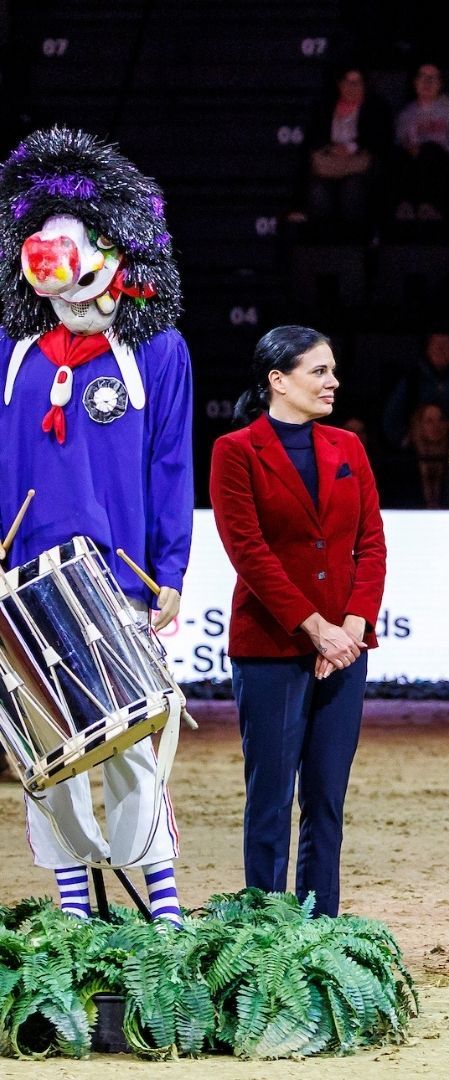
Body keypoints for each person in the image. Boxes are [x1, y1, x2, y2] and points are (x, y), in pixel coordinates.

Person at [0, 128, 195, 925]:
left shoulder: (157, 353)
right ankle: (75, 902)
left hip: (117, 583)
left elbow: (172, 466)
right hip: (22, 585)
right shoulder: (13, 354)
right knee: (44, 756)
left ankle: (165, 902)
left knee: (134, 747)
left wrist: (171, 573)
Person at [210, 326, 387, 918]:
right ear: (277, 381)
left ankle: (320, 932)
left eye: (332, 370)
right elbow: (248, 552)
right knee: (270, 800)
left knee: (326, 800)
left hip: (346, 648)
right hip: (270, 648)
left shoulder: (349, 448)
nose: (332, 381)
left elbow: (372, 543)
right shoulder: (234, 451)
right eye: (318, 371)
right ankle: (264, 937)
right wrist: (316, 628)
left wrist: (355, 626)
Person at [297, 66, 392, 235]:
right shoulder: (324, 107)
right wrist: (331, 148)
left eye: (357, 83)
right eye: (348, 82)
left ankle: (353, 244)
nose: (352, 87)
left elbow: (381, 140)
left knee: (352, 191)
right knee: (318, 193)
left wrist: (352, 147)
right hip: (328, 167)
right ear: (340, 84)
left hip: (361, 171)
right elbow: (312, 139)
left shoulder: (376, 107)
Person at [391, 62, 449, 223]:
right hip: (416, 174)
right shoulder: (405, 116)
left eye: (433, 78)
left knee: (430, 150)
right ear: (415, 82)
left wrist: (432, 149)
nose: (427, 82)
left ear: (441, 83)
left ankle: (431, 207)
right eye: (423, 77)